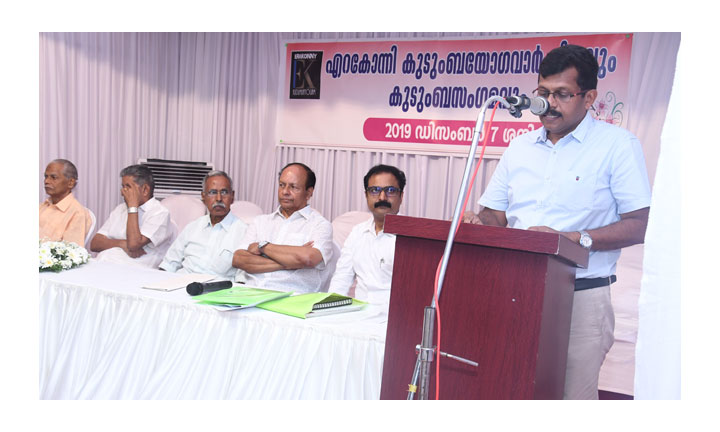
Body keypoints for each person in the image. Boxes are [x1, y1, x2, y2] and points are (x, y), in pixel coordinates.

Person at [462, 44, 651, 400]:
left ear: (589, 96)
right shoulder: (519, 147)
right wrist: (478, 220)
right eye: (543, 93)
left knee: (570, 402)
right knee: (507, 390)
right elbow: (496, 216)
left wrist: (572, 239)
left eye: (562, 94)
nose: (549, 103)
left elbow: (640, 224)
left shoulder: (617, 146)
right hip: (513, 290)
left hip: (580, 295)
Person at [232, 162, 333, 293]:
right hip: (250, 292)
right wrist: (292, 262)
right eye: (282, 185)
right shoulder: (260, 221)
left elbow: (308, 259)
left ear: (309, 192)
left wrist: (263, 246)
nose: (285, 192)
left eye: (293, 187)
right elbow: (239, 259)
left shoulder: (320, 225)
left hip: (292, 298)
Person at [328, 164, 405, 308]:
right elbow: (342, 278)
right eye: (375, 190)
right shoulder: (357, 232)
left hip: (393, 319)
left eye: (390, 190)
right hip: (360, 315)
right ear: (366, 195)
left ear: (401, 196)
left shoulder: (411, 236)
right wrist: (328, 310)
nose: (382, 197)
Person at [159, 171, 248, 279]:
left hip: (214, 292)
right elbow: (168, 264)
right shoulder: (192, 227)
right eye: (212, 192)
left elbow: (241, 279)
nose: (219, 198)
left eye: (224, 192)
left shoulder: (244, 233)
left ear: (232, 196)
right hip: (180, 285)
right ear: (203, 197)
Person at [90, 164, 175, 268]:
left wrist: (132, 208)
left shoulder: (159, 213)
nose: (123, 192)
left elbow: (134, 244)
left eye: (128, 187)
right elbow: (95, 244)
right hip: (108, 262)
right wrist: (122, 245)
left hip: (136, 268)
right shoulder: (120, 209)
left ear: (145, 190)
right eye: (123, 187)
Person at [39, 159, 92, 246]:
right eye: (46, 176)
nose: (46, 181)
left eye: (53, 177)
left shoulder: (77, 213)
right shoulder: (43, 206)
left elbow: (69, 254)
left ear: (70, 183)